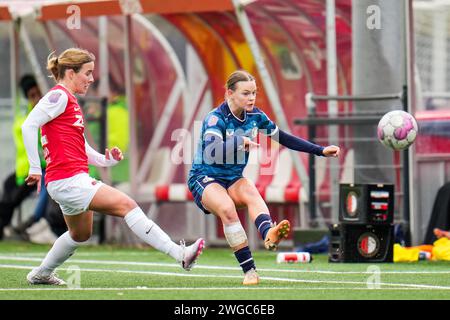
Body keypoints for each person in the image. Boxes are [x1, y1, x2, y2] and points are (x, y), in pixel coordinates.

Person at [21, 48, 205, 285]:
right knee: (127, 205)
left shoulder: (69, 101)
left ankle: (42, 273)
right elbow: (29, 125)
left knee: (80, 234)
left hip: (66, 180)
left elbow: (81, 147)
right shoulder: (59, 96)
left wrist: (105, 160)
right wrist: (35, 167)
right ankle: (179, 254)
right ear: (70, 73)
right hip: (68, 179)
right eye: (87, 73)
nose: (91, 79)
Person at [187, 70, 340, 285]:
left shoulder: (256, 117)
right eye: (245, 93)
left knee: (250, 189)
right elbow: (213, 151)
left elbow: (284, 138)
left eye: (254, 93)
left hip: (232, 178)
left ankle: (269, 234)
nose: (251, 98)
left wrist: (320, 150)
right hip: (204, 177)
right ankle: (249, 272)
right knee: (228, 209)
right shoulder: (216, 118)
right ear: (229, 93)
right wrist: (240, 142)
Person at [0, 74, 52, 240]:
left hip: (39, 168)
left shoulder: (41, 115)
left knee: (11, 198)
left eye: (38, 94)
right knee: (8, 189)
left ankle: (30, 222)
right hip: (25, 169)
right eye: (32, 96)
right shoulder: (29, 115)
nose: (36, 99)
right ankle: (6, 228)